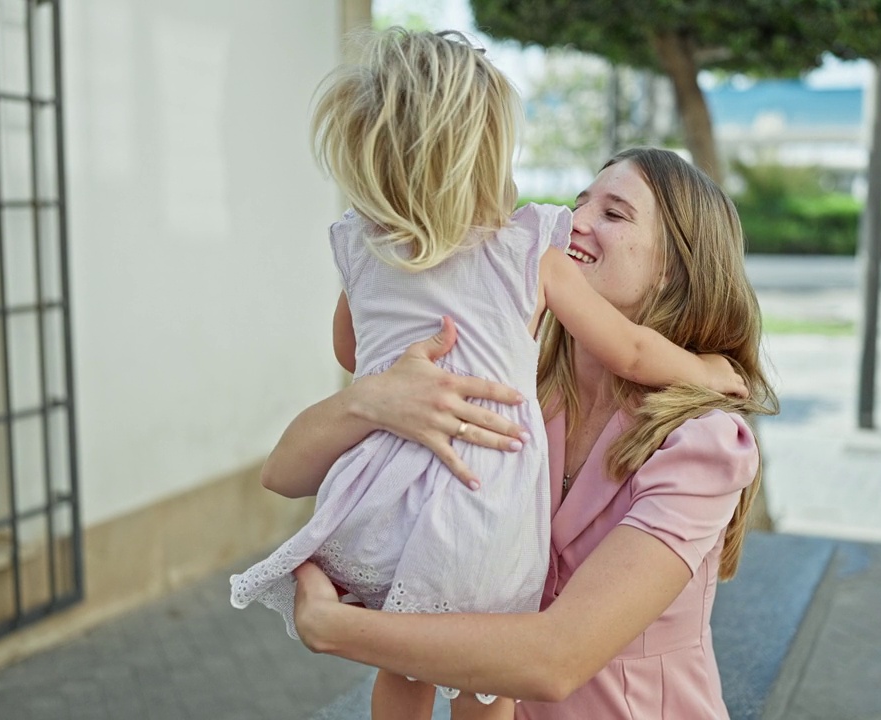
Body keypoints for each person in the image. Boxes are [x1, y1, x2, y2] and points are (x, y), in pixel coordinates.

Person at [228, 30, 744, 720]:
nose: (574, 220)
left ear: (678, 266)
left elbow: (555, 659)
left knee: (409, 671)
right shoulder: (522, 384)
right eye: (581, 199)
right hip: (469, 571)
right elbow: (283, 469)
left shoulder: (702, 442)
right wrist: (375, 400)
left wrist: (336, 626)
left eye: (612, 213)